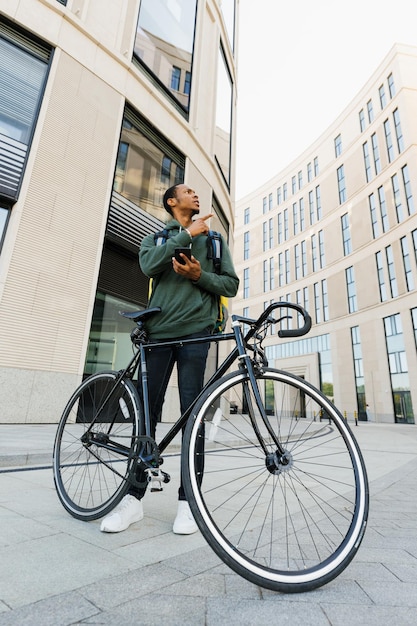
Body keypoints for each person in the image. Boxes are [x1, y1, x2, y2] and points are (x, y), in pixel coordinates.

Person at [100, 183, 239, 534]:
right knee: (147, 418)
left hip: (197, 332)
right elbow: (148, 266)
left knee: (194, 418)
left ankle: (188, 502)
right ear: (172, 202)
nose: (195, 195)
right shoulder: (157, 239)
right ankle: (133, 500)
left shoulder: (215, 242)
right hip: (158, 334)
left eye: (196, 192)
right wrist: (186, 235)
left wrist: (199, 275)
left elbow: (230, 285)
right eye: (188, 191)